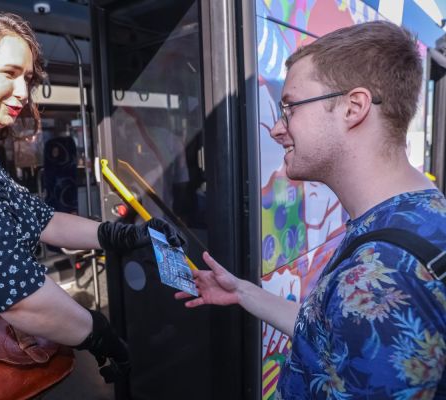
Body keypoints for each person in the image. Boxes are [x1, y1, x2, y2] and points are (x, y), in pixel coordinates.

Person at [0, 5, 182, 399]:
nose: (24, 92)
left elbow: (43, 220)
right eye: (9, 73)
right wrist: (97, 332)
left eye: (28, 78)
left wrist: (123, 235)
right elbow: (17, 295)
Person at [176, 21, 446, 398]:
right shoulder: (418, 212)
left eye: (290, 107)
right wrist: (242, 292)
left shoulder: (377, 281)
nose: (276, 129)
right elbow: (327, 334)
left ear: (354, 107)